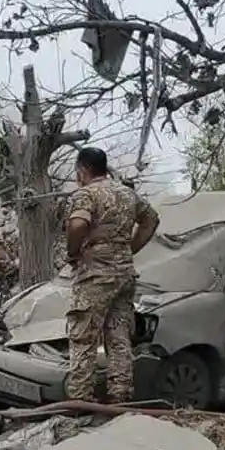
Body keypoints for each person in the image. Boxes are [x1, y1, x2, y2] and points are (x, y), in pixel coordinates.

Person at [64, 147, 159, 403]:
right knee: (118, 336)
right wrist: (130, 248)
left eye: (77, 173)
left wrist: (73, 251)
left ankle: (80, 399)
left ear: (83, 170)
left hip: (95, 275)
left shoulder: (85, 195)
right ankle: (120, 394)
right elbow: (151, 220)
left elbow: (78, 224)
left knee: (83, 336)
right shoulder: (127, 194)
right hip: (124, 275)